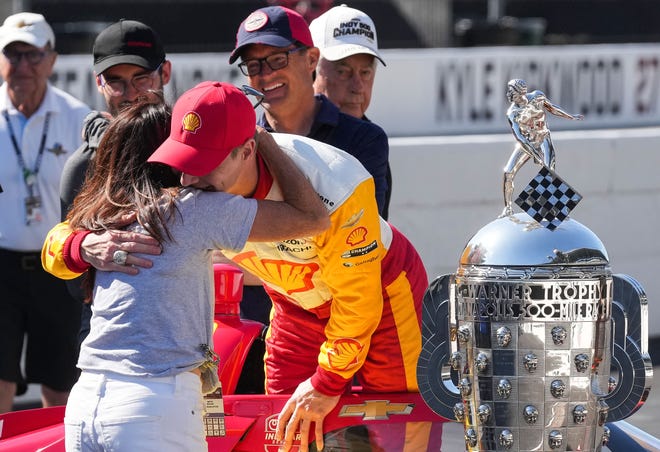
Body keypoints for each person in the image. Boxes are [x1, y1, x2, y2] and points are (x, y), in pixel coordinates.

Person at [43, 83, 428, 452]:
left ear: (246, 150)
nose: (189, 179)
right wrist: (82, 244)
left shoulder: (338, 182)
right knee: (282, 423)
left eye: (204, 164)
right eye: (183, 160)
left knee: (397, 422)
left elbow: (358, 302)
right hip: (294, 302)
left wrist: (327, 384)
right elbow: (61, 240)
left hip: (381, 293)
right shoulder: (189, 183)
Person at [58, 19, 172, 345]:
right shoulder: (84, 164)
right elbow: (73, 281)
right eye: (116, 82)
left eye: (141, 79)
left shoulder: (195, 149)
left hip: (194, 323)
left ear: (165, 73)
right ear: (99, 84)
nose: (130, 94)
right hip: (109, 331)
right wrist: (85, 248)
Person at [0, 12, 91, 413]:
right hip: (0, 267)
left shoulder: (77, 118)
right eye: (12, 55)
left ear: (52, 60)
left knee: (61, 386)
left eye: (32, 56)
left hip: (58, 268)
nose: (22, 67)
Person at [309, 3, 392, 219]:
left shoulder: (371, 142)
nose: (358, 87)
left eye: (365, 73)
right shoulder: (280, 129)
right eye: (343, 72)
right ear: (310, 68)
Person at [501, 78, 583, 217]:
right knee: (508, 172)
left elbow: (553, 108)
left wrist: (571, 117)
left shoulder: (537, 97)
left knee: (549, 171)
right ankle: (507, 208)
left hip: (543, 137)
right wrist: (535, 154)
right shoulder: (512, 113)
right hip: (527, 143)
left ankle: (553, 208)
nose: (508, 94)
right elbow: (520, 138)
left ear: (520, 92)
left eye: (511, 91)